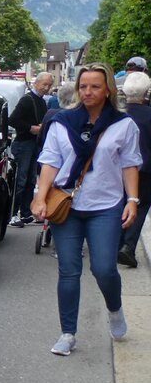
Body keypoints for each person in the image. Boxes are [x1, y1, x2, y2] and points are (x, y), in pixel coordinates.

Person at [31, 63, 142, 356]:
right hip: (65, 205)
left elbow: (130, 164)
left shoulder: (123, 125)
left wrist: (133, 200)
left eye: (95, 86)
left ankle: (115, 309)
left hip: (105, 205)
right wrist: (40, 198)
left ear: (108, 90)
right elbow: (50, 163)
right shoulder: (63, 122)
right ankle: (68, 333)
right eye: (83, 86)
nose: (88, 92)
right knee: (69, 271)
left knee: (104, 268)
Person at [9, 72, 54, 227]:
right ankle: (13, 213)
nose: (46, 88)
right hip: (23, 143)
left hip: (34, 144)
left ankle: (26, 212)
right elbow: (13, 119)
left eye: (49, 85)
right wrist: (31, 128)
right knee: (20, 180)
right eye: (44, 84)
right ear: (37, 83)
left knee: (30, 180)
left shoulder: (41, 102)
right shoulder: (27, 100)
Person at [118, 71, 151, 268]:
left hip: (119, 169)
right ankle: (128, 246)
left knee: (120, 202)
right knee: (141, 205)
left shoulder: (117, 114)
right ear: (146, 92)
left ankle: (116, 245)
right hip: (146, 170)